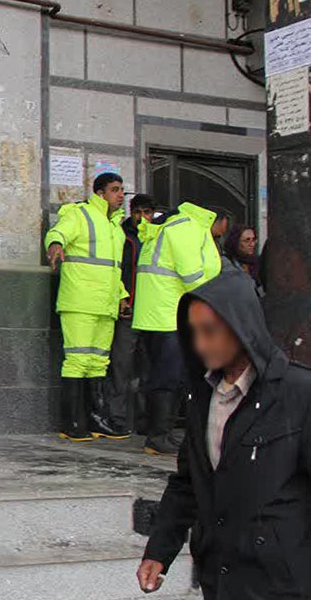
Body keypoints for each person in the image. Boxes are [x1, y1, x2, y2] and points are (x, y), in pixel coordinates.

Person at [137, 267, 311, 599]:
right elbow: (189, 482)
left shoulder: (298, 394)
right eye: (193, 332)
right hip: (221, 578)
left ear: (241, 327)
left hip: (284, 583)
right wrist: (159, 551)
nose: (200, 344)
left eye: (210, 331)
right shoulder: (203, 397)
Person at [133, 203, 224, 455]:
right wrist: (217, 296)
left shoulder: (177, 225)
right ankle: (158, 435)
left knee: (163, 374)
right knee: (169, 376)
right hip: (168, 314)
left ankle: (159, 431)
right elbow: (192, 275)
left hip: (159, 313)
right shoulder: (188, 228)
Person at [45, 173, 130, 442]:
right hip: (80, 301)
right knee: (77, 361)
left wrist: (121, 296)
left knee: (97, 363)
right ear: (100, 193)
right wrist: (55, 243)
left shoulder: (115, 226)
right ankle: (71, 422)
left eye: (122, 190)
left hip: (104, 305)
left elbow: (113, 269)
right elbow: (57, 232)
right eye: (115, 190)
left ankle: (95, 419)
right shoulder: (80, 214)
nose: (120, 195)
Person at [107, 193, 156, 434]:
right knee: (121, 366)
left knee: (148, 370)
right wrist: (122, 298)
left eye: (147, 212)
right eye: (138, 212)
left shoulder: (158, 237)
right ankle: (118, 417)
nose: (142, 217)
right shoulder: (122, 236)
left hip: (152, 312)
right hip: (128, 309)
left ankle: (145, 419)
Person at [223, 224, 262, 292]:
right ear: (236, 242)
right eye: (247, 240)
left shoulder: (257, 262)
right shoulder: (226, 263)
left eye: (254, 239)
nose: (252, 244)